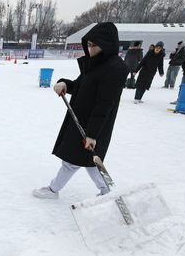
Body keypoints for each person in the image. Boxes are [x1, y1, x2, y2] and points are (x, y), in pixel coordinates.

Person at [32, 22, 128, 199]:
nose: (90, 50)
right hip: (80, 120)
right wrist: (65, 84)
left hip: (92, 125)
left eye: (94, 46)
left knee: (72, 161)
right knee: (89, 161)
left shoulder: (114, 68)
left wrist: (92, 134)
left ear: (107, 44)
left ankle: (53, 190)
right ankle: (107, 191)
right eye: (89, 45)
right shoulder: (96, 64)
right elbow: (79, 86)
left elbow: (104, 104)